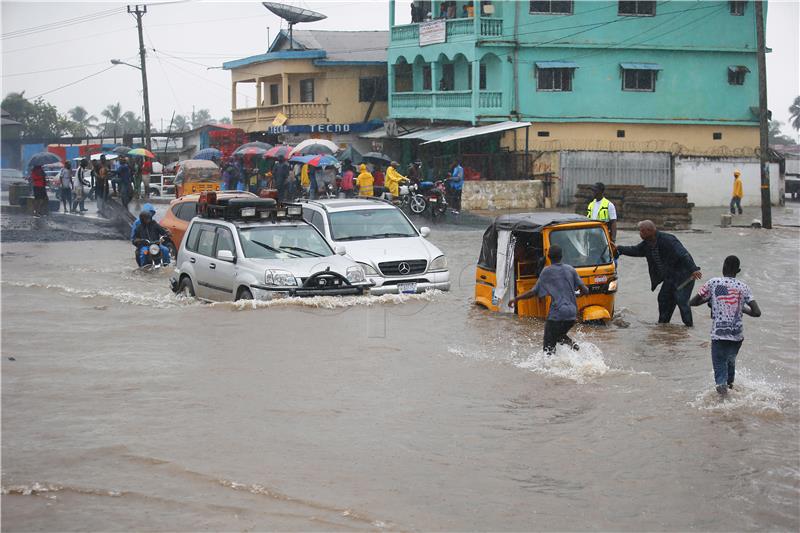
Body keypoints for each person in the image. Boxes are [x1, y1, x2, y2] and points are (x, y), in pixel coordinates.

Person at [689, 255, 761, 396]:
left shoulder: (714, 282)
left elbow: (693, 302)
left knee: (720, 374)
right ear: (738, 270)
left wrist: (710, 299)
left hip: (719, 334)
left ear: (723, 267)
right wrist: (741, 308)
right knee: (730, 365)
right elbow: (757, 312)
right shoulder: (744, 287)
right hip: (737, 336)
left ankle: (724, 406)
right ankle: (732, 395)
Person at [616, 220, 702, 327]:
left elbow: (684, 254)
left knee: (681, 300)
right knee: (663, 298)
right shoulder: (647, 244)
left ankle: (689, 327)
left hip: (684, 276)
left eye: (641, 231)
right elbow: (636, 250)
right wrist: (619, 249)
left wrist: (694, 269)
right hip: (670, 277)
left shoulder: (668, 240)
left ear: (650, 231)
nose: (640, 234)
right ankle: (663, 325)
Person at [508, 245, 589, 354]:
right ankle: (573, 346)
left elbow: (534, 292)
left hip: (557, 313)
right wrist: (577, 295)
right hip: (571, 313)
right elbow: (585, 290)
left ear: (548, 256)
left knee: (548, 348)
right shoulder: (570, 269)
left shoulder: (547, 271)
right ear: (561, 256)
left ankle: (549, 367)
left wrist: (516, 299)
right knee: (558, 336)